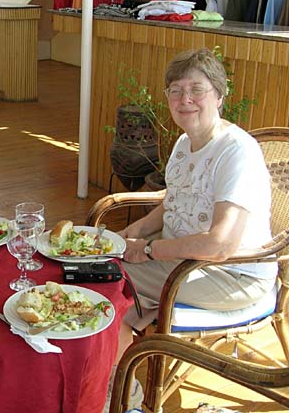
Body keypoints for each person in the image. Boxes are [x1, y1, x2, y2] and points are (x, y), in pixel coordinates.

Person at [106, 48, 276, 410]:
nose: (185, 100)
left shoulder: (236, 152)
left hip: (231, 274)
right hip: (183, 258)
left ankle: (127, 401)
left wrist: (147, 251)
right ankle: (115, 387)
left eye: (196, 90)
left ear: (218, 94)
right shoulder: (185, 143)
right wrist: (122, 237)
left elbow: (220, 244)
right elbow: (172, 204)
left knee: (107, 283)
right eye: (175, 91)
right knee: (101, 272)